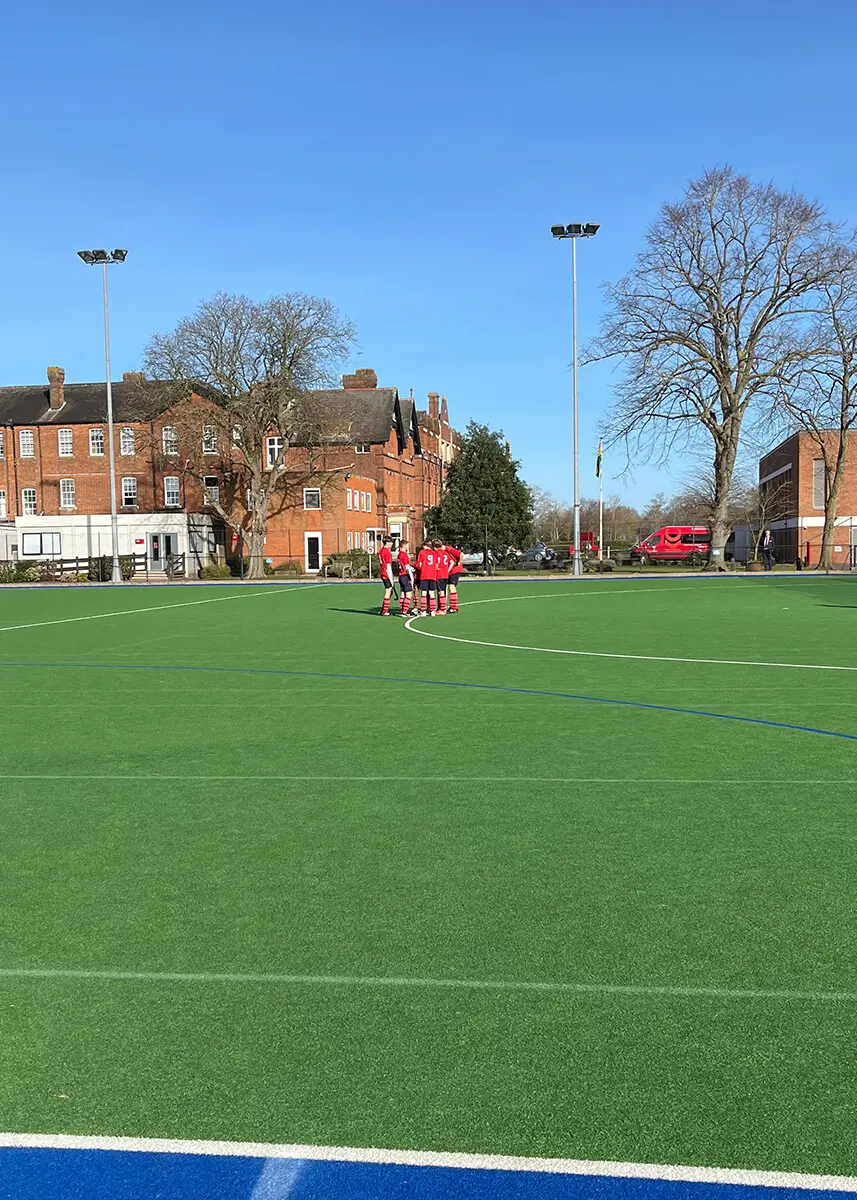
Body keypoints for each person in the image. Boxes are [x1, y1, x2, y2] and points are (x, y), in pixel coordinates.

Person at [415, 540, 438, 615]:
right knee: (432, 593)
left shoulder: (422, 552)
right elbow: (437, 565)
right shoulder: (435, 553)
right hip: (433, 576)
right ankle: (432, 611)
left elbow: (419, 565)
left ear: (425, 545)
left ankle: (423, 610)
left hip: (424, 575)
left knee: (424, 593)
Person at [396, 540, 415, 616]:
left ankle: (402, 609)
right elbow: (407, 568)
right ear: (403, 546)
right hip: (405, 576)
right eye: (407, 545)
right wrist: (412, 578)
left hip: (400, 576)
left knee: (403, 593)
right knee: (409, 594)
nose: (408, 547)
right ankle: (405, 611)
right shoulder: (404, 555)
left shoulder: (399, 555)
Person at [378, 537, 395, 615]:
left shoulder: (381, 550)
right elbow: (388, 565)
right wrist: (391, 577)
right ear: (387, 542)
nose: (392, 544)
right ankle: (384, 611)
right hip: (386, 573)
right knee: (388, 591)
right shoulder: (387, 552)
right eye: (390, 542)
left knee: (389, 591)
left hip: (383, 573)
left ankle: (384, 609)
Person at [445, 542, 463, 612]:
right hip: (448, 571)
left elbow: (461, 554)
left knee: (451, 586)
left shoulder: (449, 549)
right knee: (445, 587)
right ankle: (443, 606)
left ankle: (454, 607)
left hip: (454, 570)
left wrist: (459, 563)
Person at [434, 540, 449, 614]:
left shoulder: (436, 553)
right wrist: (447, 570)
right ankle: (441, 608)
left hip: (439, 574)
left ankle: (442, 610)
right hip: (445, 575)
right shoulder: (445, 553)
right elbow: (451, 562)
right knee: (443, 591)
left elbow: (437, 564)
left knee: (440, 592)